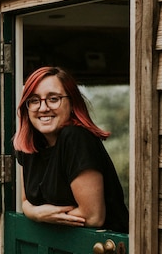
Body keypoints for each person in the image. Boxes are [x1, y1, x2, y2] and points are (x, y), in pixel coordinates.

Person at [13, 66, 129, 233]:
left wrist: (43, 217)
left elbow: (93, 217)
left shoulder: (75, 137)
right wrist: (37, 214)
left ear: (72, 102)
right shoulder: (28, 143)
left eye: (53, 99)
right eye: (34, 100)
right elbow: (26, 202)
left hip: (102, 251)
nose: (43, 108)